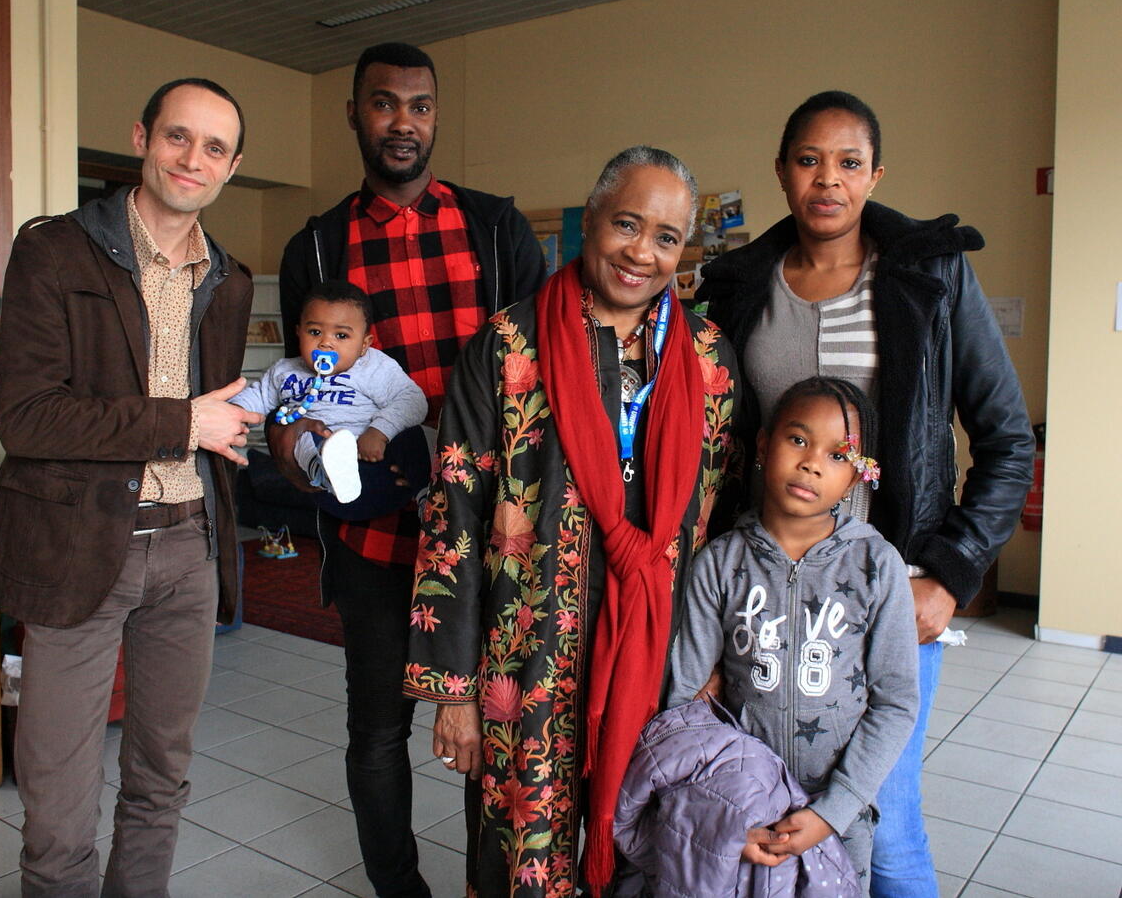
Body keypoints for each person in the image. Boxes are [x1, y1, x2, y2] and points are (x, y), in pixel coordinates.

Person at [696, 90, 1033, 897]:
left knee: (884, 816)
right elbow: (716, 451)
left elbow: (1006, 439)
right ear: (782, 172)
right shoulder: (741, 287)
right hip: (764, 590)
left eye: (849, 163)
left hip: (887, 594)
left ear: (876, 173)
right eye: (809, 160)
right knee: (770, 804)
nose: (828, 181)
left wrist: (949, 572)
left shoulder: (931, 276)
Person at [406, 145, 739, 897]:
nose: (641, 252)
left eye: (666, 238)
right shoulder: (509, 345)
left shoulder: (710, 359)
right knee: (518, 851)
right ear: (590, 222)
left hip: (662, 658)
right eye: (627, 223)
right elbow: (452, 514)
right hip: (525, 658)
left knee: (647, 840)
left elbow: (719, 532)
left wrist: (717, 657)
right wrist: (455, 690)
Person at [273, 42, 545, 897]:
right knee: (378, 734)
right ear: (354, 113)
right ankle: (400, 889)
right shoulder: (316, 248)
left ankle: (484, 886)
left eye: (420, 105)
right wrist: (300, 458)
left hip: (489, 535)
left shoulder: (497, 230)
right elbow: (297, 392)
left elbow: (545, 373)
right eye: (384, 104)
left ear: (436, 116)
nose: (403, 121)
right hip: (376, 537)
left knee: (492, 728)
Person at [0, 78, 262, 896]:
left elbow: (217, 413)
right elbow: (29, 419)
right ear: (142, 137)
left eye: (215, 148)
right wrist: (184, 425)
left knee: (160, 779)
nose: (193, 159)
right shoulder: (55, 250)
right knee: (58, 804)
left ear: (232, 166)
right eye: (178, 137)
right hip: (79, 551)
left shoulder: (232, 280)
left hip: (189, 545)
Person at [666, 377, 918, 893]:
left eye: (838, 454)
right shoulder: (720, 563)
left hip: (837, 821)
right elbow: (682, 705)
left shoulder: (876, 566)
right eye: (798, 440)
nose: (812, 464)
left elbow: (895, 703)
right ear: (763, 445)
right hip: (738, 811)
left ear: (856, 477)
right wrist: (725, 814)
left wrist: (836, 810)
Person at [230, 280, 430, 519]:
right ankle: (325, 470)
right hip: (326, 486)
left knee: (418, 436)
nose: (326, 342)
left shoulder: (373, 366)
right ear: (298, 332)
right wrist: (233, 413)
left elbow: (413, 401)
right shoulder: (285, 371)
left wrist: (379, 432)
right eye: (314, 332)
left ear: (365, 344)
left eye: (342, 335)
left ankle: (428, 499)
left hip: (378, 467)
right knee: (301, 432)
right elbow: (256, 398)